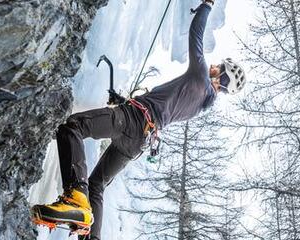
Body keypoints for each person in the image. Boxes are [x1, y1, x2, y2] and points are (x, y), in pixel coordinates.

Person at [31, 0, 246, 239]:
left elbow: (196, 34)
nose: (213, 65)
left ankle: (75, 196)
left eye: (218, 66)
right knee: (98, 184)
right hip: (138, 141)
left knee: (72, 127)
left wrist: (206, 4)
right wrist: (124, 101)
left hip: (132, 120)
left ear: (220, 74)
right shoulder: (199, 104)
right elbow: (161, 106)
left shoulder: (200, 79)